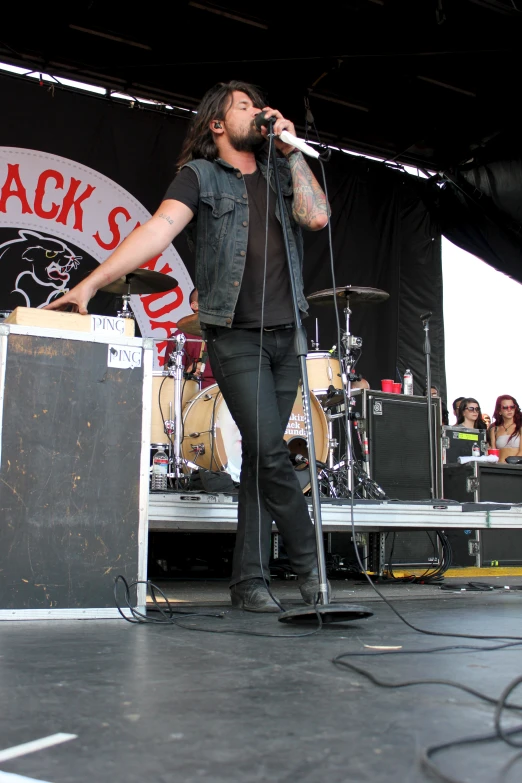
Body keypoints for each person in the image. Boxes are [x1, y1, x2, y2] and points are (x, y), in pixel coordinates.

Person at [44, 80, 329, 613]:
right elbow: (157, 230)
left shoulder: (281, 173)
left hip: (288, 336)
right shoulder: (200, 177)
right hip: (235, 335)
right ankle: (312, 569)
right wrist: (89, 282)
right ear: (218, 124)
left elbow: (317, 216)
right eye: (244, 106)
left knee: (260, 462)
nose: (259, 110)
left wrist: (291, 151)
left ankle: (248, 583)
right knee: (270, 451)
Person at [165, 288, 215, 389]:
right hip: (198, 396)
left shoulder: (229, 334)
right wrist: (186, 373)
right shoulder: (180, 337)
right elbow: (169, 374)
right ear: (195, 305)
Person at [489, 395, 522, 463]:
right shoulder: (494, 430)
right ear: (499, 411)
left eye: (512, 407)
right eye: (505, 407)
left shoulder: (520, 427)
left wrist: (513, 465)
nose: (509, 410)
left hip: (517, 468)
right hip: (499, 467)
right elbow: (493, 452)